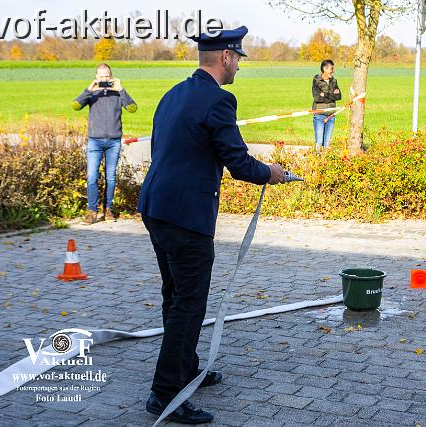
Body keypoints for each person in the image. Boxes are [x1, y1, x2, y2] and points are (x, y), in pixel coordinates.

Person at [138, 26, 285, 424]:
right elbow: (238, 163)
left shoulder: (174, 94)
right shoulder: (219, 100)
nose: (239, 65)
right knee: (189, 304)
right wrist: (270, 172)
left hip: (156, 207)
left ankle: (185, 369)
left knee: (175, 296)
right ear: (225, 57)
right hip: (187, 218)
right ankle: (165, 394)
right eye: (238, 58)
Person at [72, 63, 137, 224]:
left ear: (112, 76)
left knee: (111, 178)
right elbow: (75, 105)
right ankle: (92, 211)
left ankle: (108, 210)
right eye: (101, 77)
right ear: (96, 77)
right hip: (95, 140)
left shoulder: (117, 93)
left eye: (107, 76)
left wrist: (121, 89)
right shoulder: (92, 94)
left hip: (114, 141)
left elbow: (133, 108)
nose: (104, 79)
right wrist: (89, 90)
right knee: (92, 176)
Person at [312, 59, 341, 149]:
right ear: (325, 69)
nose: (333, 71)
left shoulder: (334, 81)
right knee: (319, 143)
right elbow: (317, 98)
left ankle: (324, 162)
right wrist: (332, 94)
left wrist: (324, 95)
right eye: (331, 69)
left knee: (327, 144)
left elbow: (339, 96)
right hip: (319, 114)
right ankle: (317, 161)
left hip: (331, 115)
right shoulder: (317, 81)